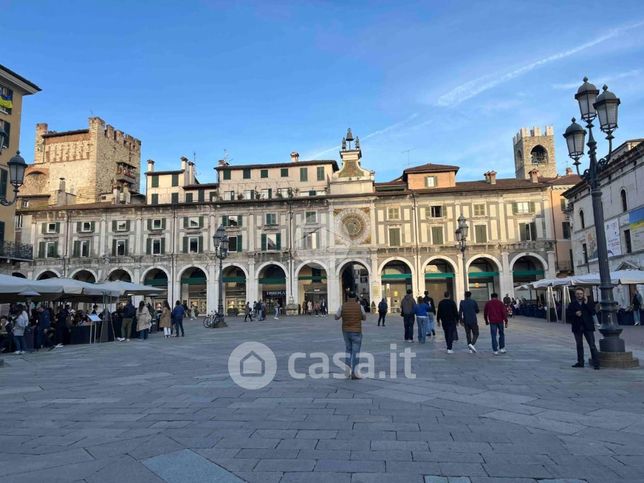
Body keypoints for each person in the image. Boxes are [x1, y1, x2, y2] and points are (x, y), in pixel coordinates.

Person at [335, 291, 366, 380]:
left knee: (348, 350)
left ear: (348, 297)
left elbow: (336, 317)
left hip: (346, 331)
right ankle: (355, 373)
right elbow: (364, 317)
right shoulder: (359, 306)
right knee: (356, 352)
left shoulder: (342, 306)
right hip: (356, 331)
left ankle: (347, 372)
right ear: (355, 298)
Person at [566, 288, 600, 370]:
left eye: (581, 294)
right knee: (579, 345)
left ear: (583, 294)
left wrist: (586, 303)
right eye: (577, 294)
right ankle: (580, 362)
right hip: (577, 327)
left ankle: (596, 363)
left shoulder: (588, 302)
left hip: (588, 327)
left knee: (592, 345)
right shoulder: (572, 304)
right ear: (575, 295)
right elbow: (568, 315)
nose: (579, 295)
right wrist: (575, 314)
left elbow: (593, 312)